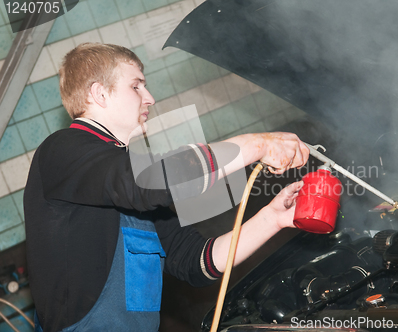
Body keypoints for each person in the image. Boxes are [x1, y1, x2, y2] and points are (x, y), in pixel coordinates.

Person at [24, 43, 309, 332]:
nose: (150, 98)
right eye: (136, 87)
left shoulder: (130, 176)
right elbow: (145, 183)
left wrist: (273, 218)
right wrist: (256, 145)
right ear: (99, 93)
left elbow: (196, 262)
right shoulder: (61, 150)